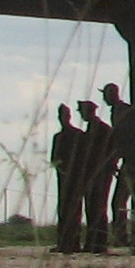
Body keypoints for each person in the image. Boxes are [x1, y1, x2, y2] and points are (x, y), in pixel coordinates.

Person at [101, 81, 135, 250]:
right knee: (123, 201)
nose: (105, 98)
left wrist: (115, 157)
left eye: (106, 95)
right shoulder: (117, 112)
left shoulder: (123, 112)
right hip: (130, 161)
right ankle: (125, 237)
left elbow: (124, 137)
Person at [76, 100, 116, 253]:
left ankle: (99, 243)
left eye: (82, 111)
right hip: (91, 173)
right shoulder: (92, 129)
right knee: (92, 207)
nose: (81, 114)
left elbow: (111, 150)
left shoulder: (102, 129)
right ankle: (93, 242)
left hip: (100, 173)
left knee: (98, 207)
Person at [49, 103, 83, 253]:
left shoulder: (77, 135)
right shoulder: (58, 137)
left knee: (74, 209)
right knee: (63, 209)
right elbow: (54, 159)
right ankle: (63, 242)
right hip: (63, 178)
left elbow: (83, 157)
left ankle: (73, 242)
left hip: (75, 178)